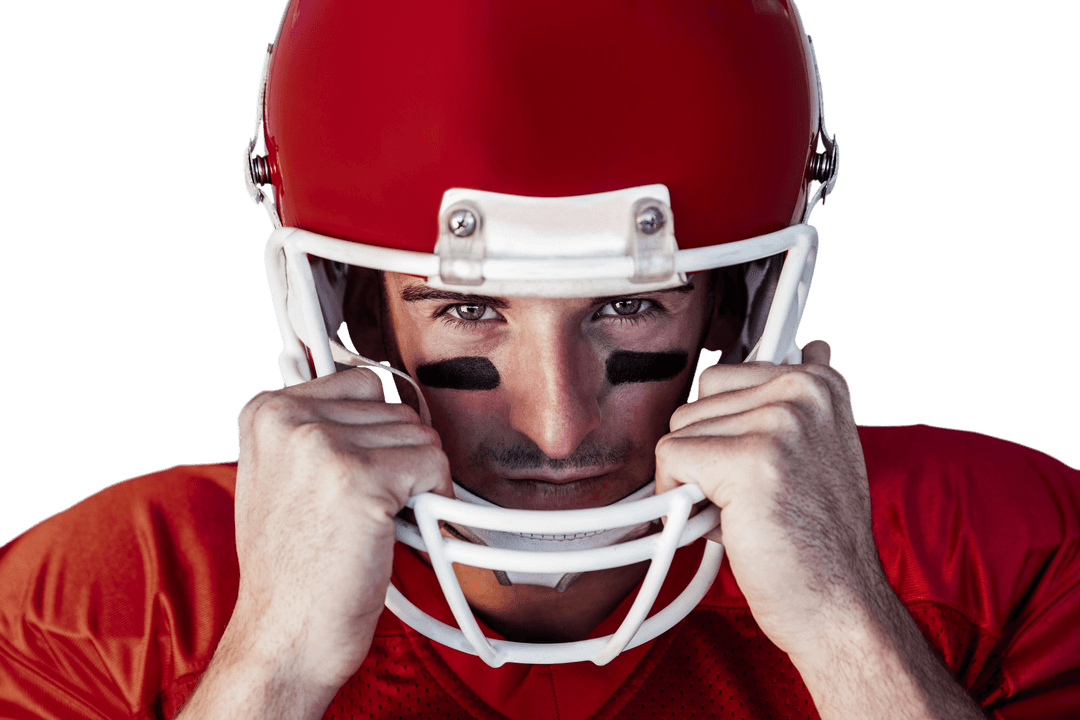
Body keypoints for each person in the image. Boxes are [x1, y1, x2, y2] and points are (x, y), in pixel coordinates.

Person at [2, 1, 1078, 718]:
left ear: (731, 302)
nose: (557, 429)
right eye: (471, 309)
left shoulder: (998, 557)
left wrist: (855, 635)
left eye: (625, 305)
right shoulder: (105, 605)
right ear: (363, 314)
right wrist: (266, 667)